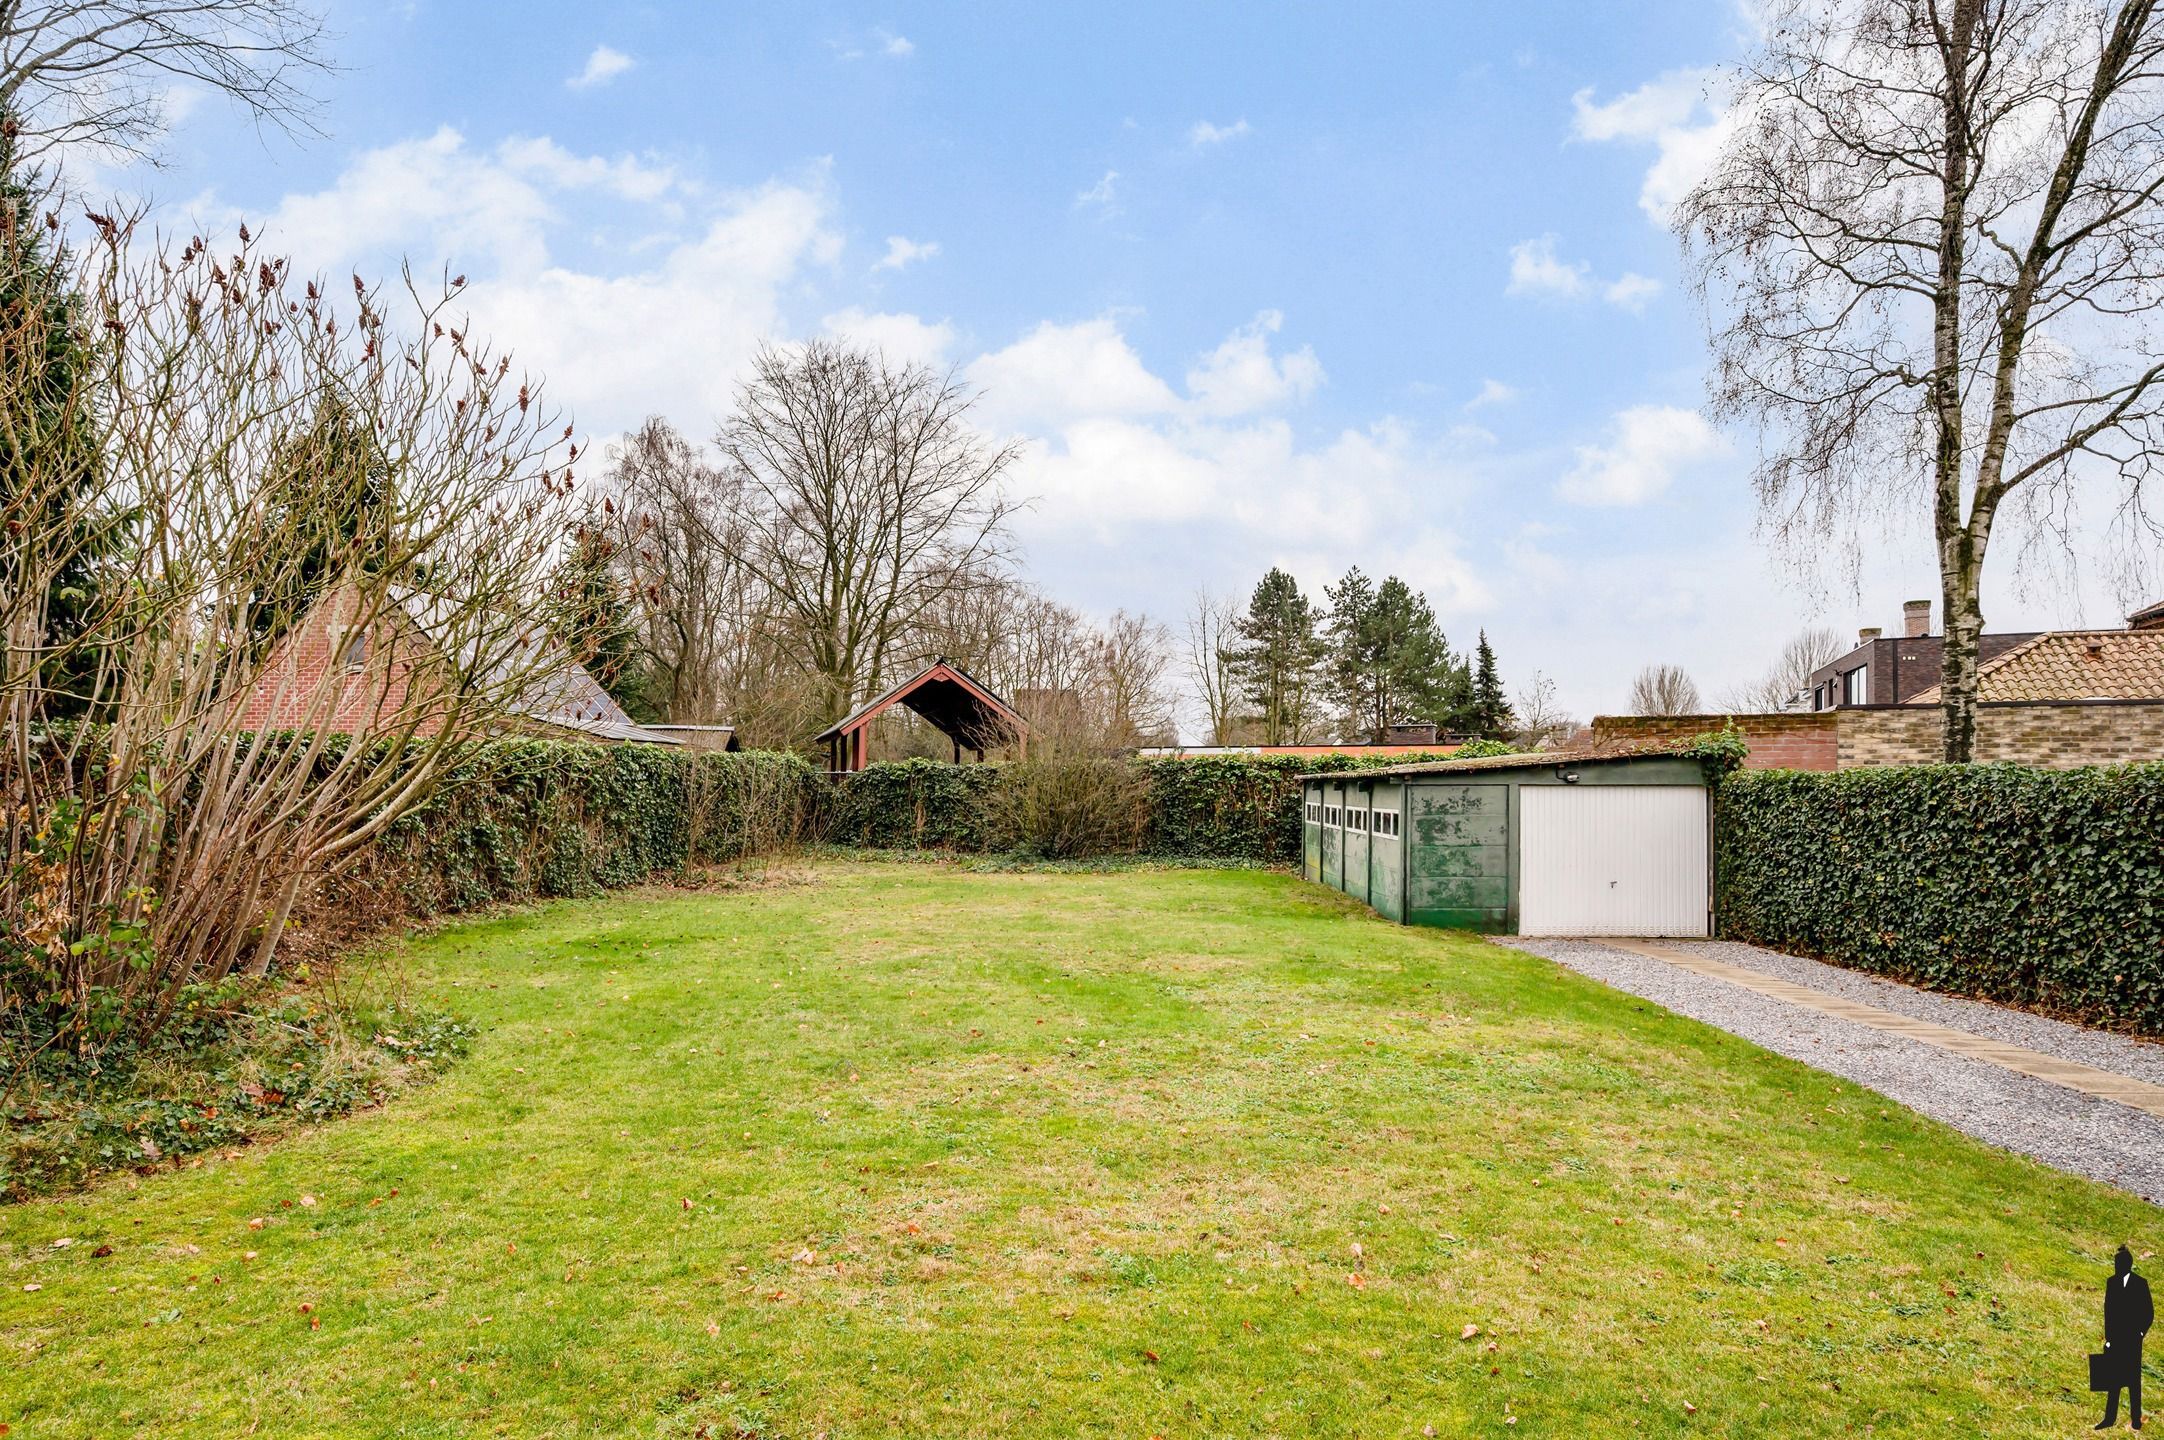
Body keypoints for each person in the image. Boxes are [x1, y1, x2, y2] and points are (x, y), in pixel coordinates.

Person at [2101, 1245, 2153, 1430]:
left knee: (2133, 1381)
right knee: (2113, 1379)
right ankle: (2109, 1418)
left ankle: (2136, 1419)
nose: (2117, 1266)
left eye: (2120, 1263)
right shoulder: (2111, 1282)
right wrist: (2108, 1338)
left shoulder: (2140, 1283)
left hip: (2132, 1339)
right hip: (2116, 1338)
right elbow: (2109, 1312)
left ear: (2128, 1264)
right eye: (2116, 1263)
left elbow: (2148, 1312)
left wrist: (2140, 1333)